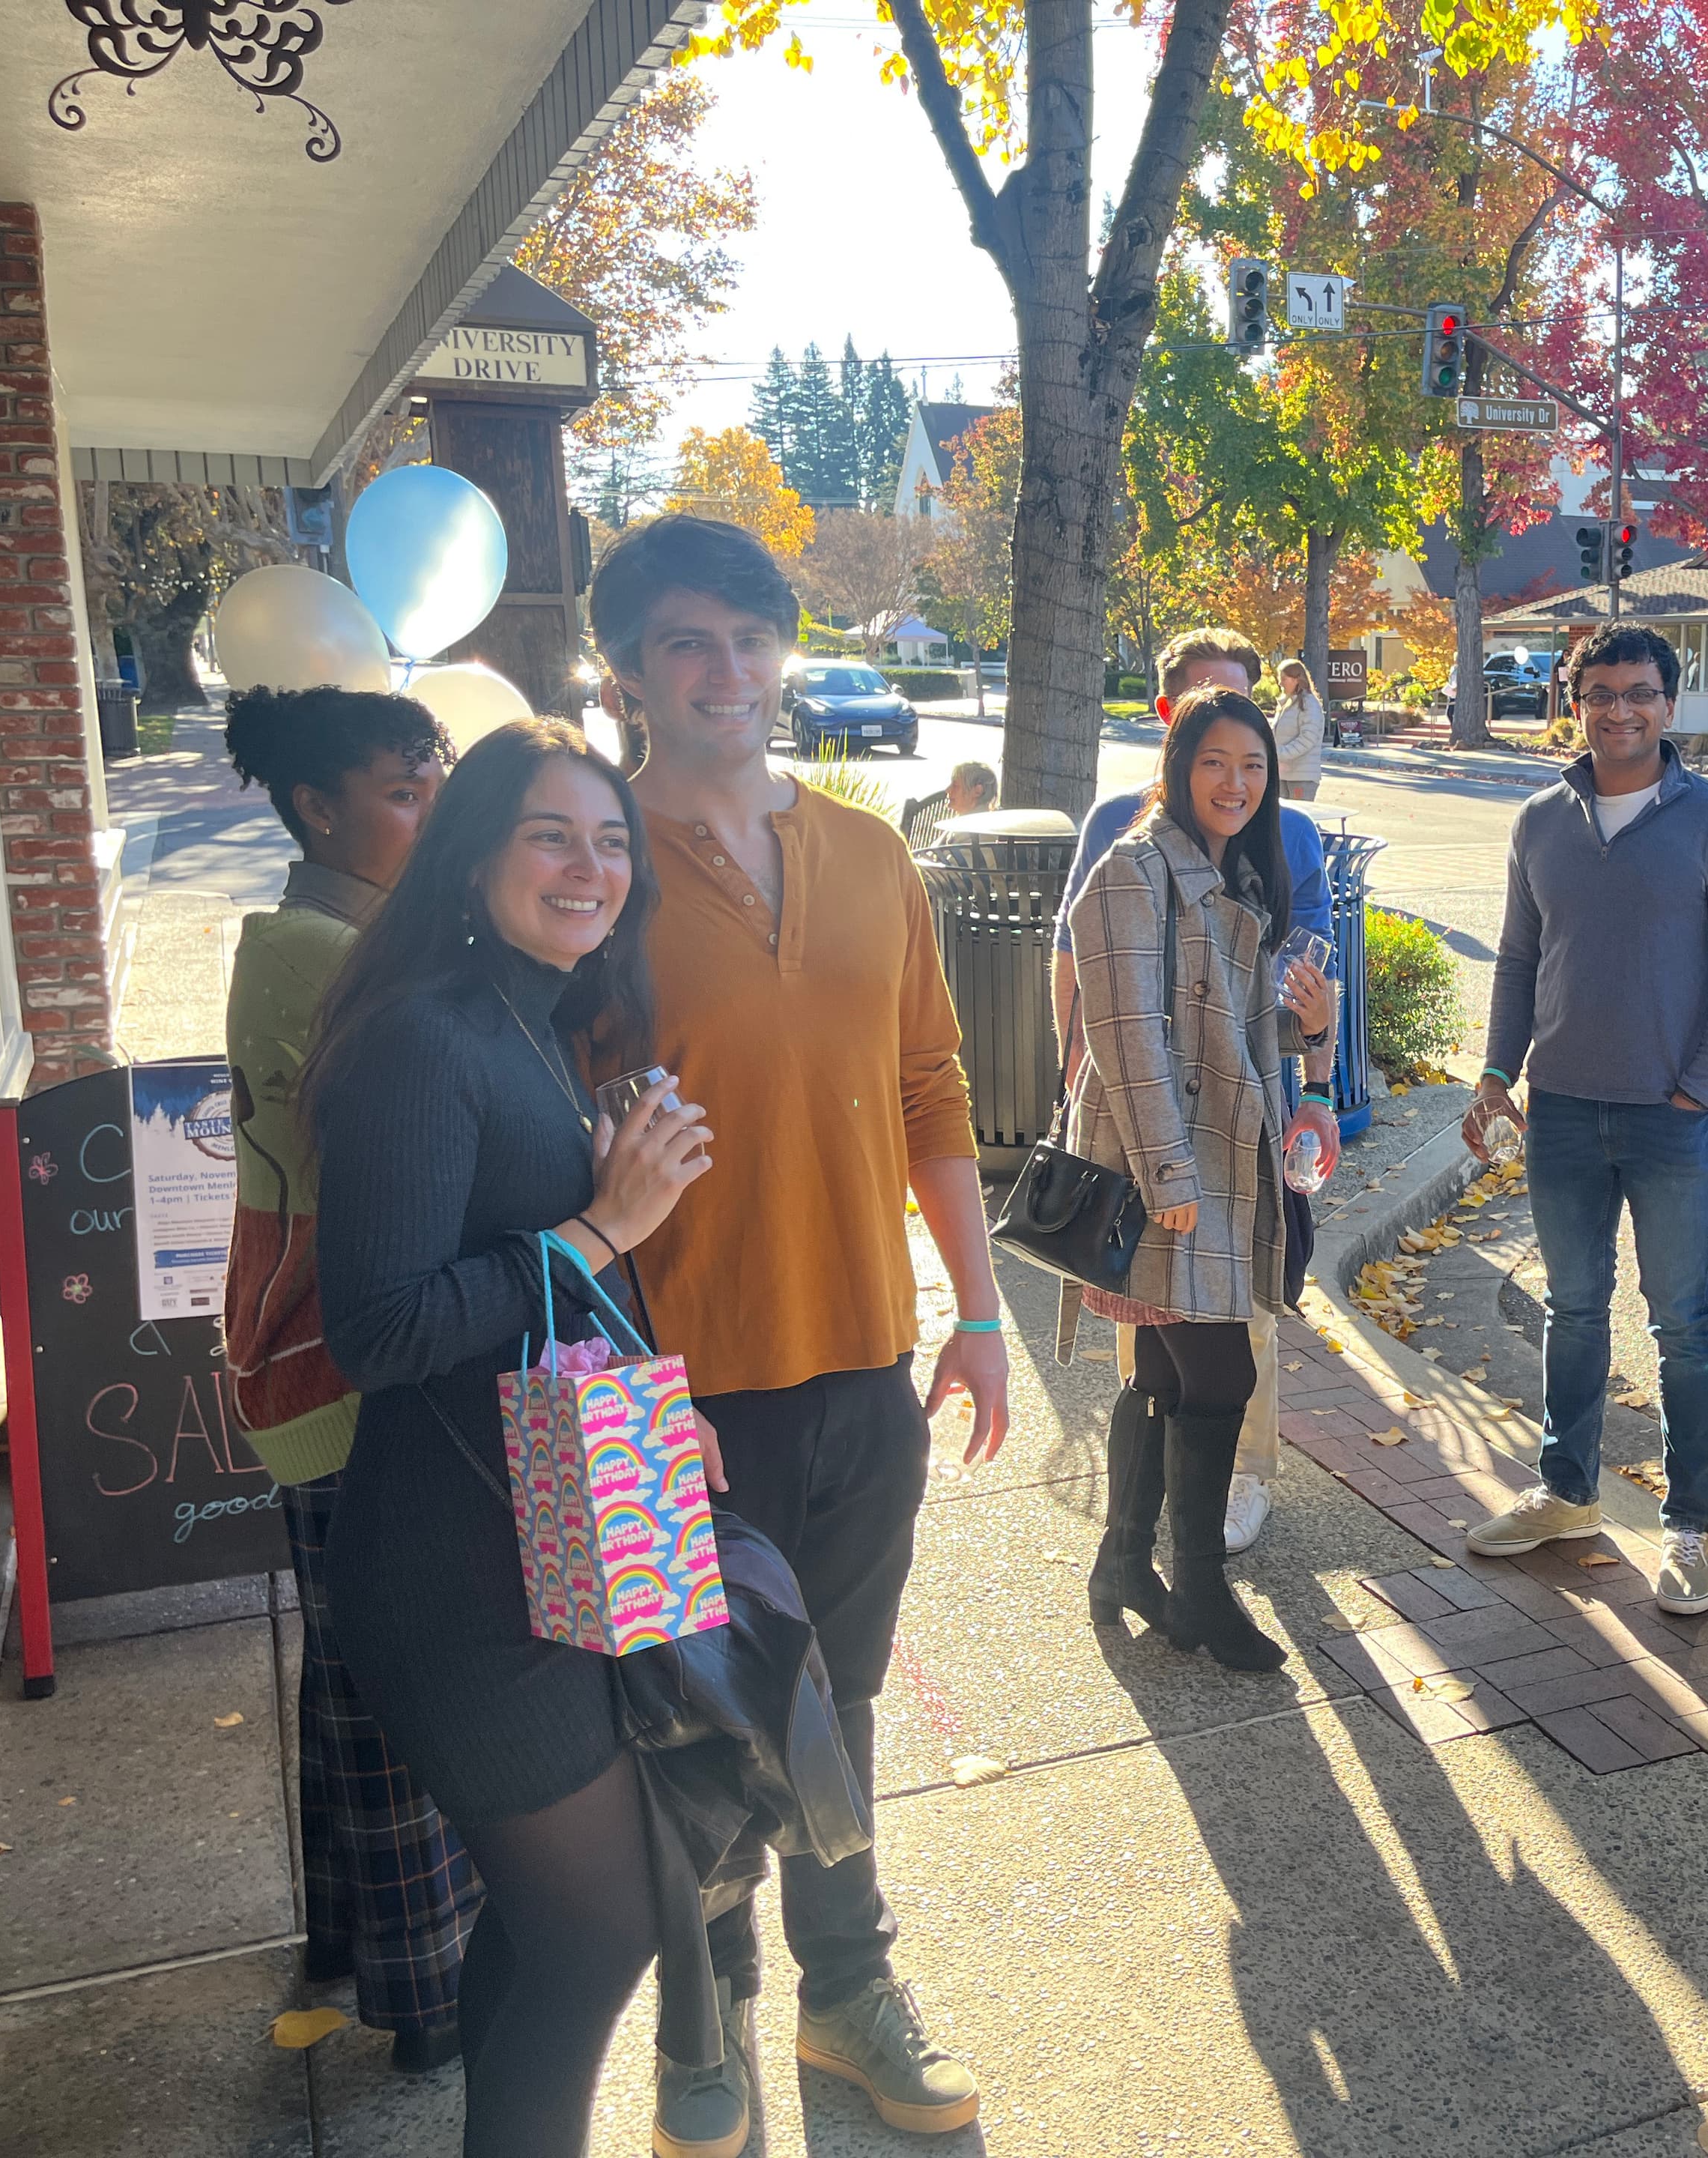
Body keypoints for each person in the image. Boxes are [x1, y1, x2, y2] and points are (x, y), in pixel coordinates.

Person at [591, 513, 1004, 2148]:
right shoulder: (592, 862)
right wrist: (619, 1367)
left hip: (860, 1363)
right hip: (663, 1392)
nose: (729, 671)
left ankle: (849, 1990)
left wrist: (979, 1311)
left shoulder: (871, 855)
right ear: (627, 670)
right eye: (688, 642)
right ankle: (709, 2021)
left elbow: (931, 1089)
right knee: (689, 1721)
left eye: (753, 639)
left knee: (839, 1698)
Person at [305, 721, 715, 2157]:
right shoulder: (424, 1037)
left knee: (557, 1924)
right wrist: (606, 1222)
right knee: (604, 1924)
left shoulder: (526, 1016)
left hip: (556, 1530)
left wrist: (658, 1401)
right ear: (473, 854)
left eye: (610, 841)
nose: (588, 867)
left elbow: (532, 1292)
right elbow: (380, 1329)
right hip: (457, 1577)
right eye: (551, 835)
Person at [221, 685, 471, 2075]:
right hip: (339, 1364)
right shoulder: (319, 958)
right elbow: (429, 1157)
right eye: (403, 791)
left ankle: (350, 1942)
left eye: (435, 782)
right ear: (318, 808)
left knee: (354, 1668)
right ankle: (429, 1995)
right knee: (395, 1677)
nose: (431, 814)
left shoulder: (350, 939)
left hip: (331, 1354)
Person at [1459, 623, 1708, 1616]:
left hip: (1673, 1121)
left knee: (1684, 1324)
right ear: (1576, 705)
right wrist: (1496, 1074)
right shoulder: (1540, 822)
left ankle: (1692, 1526)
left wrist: (1700, 1090)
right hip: (1561, 1111)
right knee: (1573, 1309)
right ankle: (1567, 1494)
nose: (1619, 710)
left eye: (1639, 692)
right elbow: (1520, 960)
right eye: (1599, 693)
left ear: (1669, 706)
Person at [1065, 686, 1336, 1672]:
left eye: (1253, 765)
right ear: (1179, 765)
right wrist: (1167, 1176)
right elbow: (1126, 1039)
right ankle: (1201, 1591)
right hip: (1165, 1164)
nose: (1236, 782)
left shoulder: (1237, 876)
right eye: (1216, 761)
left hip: (1223, 1155)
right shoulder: (1132, 871)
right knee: (1220, 1371)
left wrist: (1315, 1031)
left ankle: (1124, 1564)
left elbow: (1238, 1027)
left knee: (1165, 1369)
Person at [902, 760, 998, 851]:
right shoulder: (961, 823)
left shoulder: (979, 832)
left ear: (977, 791)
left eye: (956, 786)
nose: (948, 790)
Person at [1269, 656, 1325, 799]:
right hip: (1282, 774)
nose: (1280, 683)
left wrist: (1280, 753)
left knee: (1298, 812)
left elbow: (1308, 739)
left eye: (1284, 679)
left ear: (1296, 680)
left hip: (1302, 776)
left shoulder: (1309, 704)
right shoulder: (1286, 704)